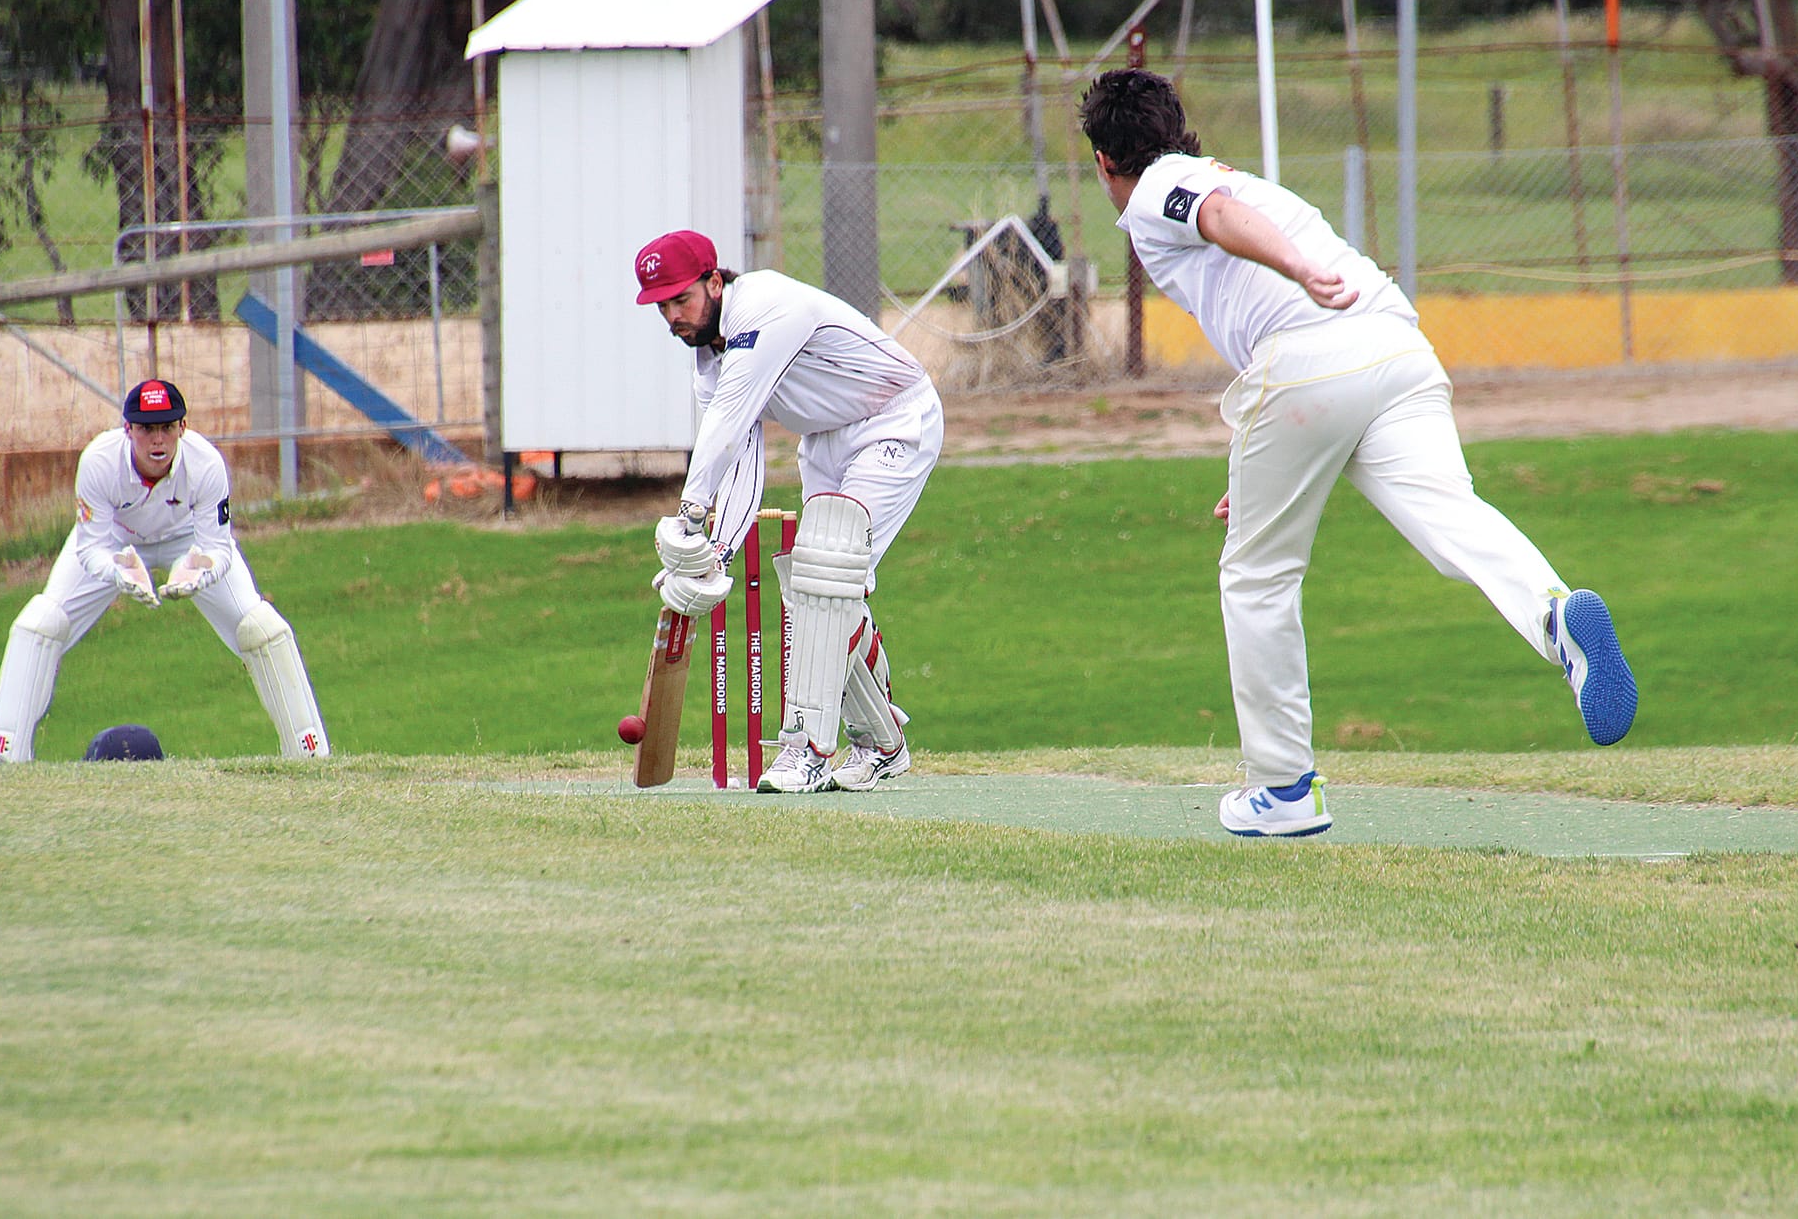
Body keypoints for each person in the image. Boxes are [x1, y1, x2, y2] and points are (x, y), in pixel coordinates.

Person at [1078, 68, 1637, 838]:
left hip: (1313, 353)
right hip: (1394, 343)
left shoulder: (1160, 188)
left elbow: (1216, 215)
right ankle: (1554, 619)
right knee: (1452, 516)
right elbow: (1230, 226)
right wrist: (1264, 464)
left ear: (1105, 161)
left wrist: (1300, 272)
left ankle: (1283, 792)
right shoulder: (1220, 173)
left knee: (1258, 574)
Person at [632, 229, 944, 794]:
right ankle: (881, 745)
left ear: (714, 280)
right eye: (662, 306)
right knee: (816, 584)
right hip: (825, 440)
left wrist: (689, 519)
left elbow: (722, 428)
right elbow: (741, 463)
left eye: (682, 299)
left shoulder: (765, 309)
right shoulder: (710, 359)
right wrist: (712, 558)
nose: (673, 316)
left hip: (895, 419)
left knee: (829, 574)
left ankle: (807, 751)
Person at [0, 379, 331, 763]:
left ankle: (309, 755)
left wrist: (198, 571)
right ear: (127, 428)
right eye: (147, 429)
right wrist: (119, 571)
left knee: (261, 628)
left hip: (188, 539)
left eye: (167, 427)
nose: (158, 440)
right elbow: (90, 546)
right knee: (40, 624)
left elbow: (217, 546)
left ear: (183, 427)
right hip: (116, 539)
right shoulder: (100, 461)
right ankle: (4, 759)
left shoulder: (206, 463)